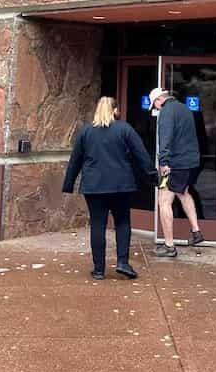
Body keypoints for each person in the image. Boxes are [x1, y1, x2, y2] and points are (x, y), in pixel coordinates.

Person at [62, 96, 156, 280]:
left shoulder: (86, 132)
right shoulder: (124, 129)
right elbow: (141, 154)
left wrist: (68, 184)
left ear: (97, 110)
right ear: (115, 110)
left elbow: (75, 160)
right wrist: (152, 176)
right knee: (123, 222)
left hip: (94, 186)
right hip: (121, 185)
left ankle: (98, 269)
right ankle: (122, 262)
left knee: (97, 225)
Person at [150, 86, 203, 258]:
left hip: (176, 163)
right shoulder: (184, 109)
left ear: (159, 100)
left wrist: (163, 162)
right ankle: (196, 232)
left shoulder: (166, 112)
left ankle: (169, 246)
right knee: (183, 192)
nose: (156, 109)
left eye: (155, 106)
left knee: (164, 201)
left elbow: (165, 138)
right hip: (191, 161)